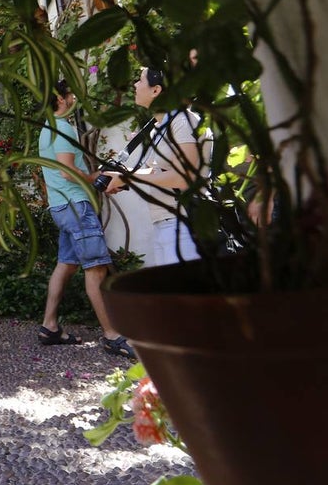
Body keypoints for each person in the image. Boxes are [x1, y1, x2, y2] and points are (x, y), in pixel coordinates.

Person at [37, 80, 134, 359]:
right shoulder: (63, 127)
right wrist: (95, 178)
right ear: (61, 98)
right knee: (97, 269)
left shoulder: (47, 128)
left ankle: (49, 326)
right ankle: (112, 336)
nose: (73, 98)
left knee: (66, 264)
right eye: (70, 94)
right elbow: (67, 172)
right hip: (75, 206)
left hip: (61, 206)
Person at [105, 68, 210, 267]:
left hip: (185, 223)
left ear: (156, 90)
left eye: (140, 80)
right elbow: (157, 172)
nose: (135, 85)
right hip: (164, 223)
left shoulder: (183, 122)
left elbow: (183, 177)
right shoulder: (160, 127)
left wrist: (128, 178)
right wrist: (121, 177)